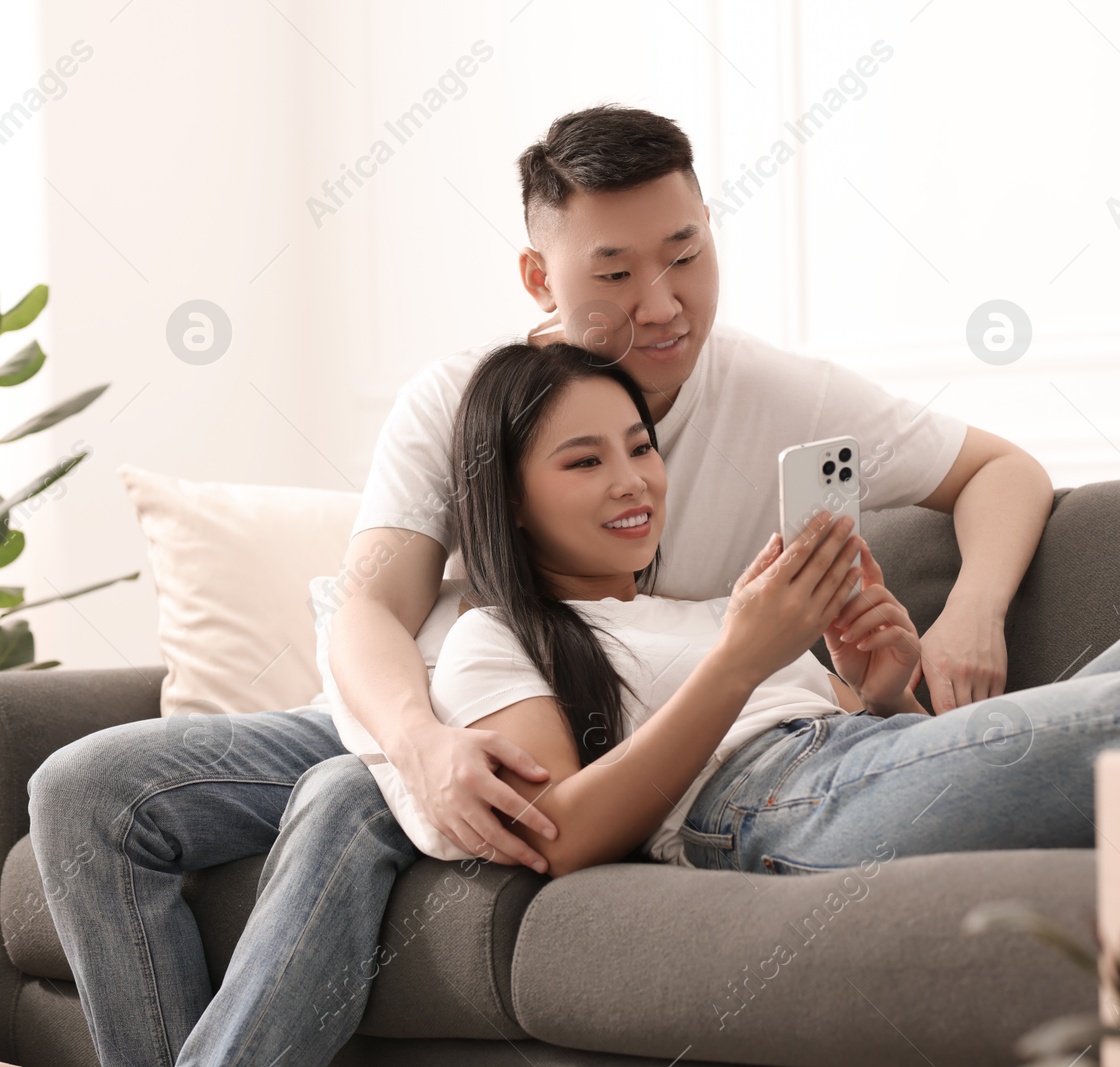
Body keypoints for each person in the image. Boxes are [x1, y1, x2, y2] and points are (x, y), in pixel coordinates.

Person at [26, 105, 1064, 1067]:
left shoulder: (777, 390)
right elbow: (369, 608)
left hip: (622, 725)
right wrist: (420, 745)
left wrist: (969, 606)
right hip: (458, 707)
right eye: (612, 272)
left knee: (347, 797)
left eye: (686, 256)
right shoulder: (464, 402)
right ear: (538, 276)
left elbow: (1001, 469)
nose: (660, 305)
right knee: (90, 787)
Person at [372, 339, 1120, 881]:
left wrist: (884, 693)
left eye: (640, 448)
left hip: (850, 762)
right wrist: (739, 660)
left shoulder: (710, 611)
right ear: (509, 497)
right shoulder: (492, 637)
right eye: (585, 460)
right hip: (770, 800)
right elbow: (560, 835)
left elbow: (910, 754)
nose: (633, 480)